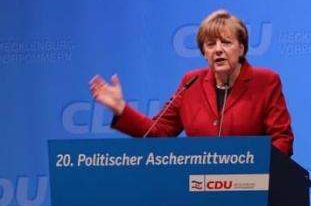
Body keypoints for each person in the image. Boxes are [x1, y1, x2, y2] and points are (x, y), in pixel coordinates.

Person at [89, 9, 294, 155]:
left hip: (252, 188)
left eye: (226, 42)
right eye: (210, 44)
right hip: (198, 187)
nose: (218, 50)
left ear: (241, 49)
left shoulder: (265, 81)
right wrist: (120, 108)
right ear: (204, 53)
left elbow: (282, 139)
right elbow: (158, 132)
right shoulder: (191, 82)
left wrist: (260, 172)